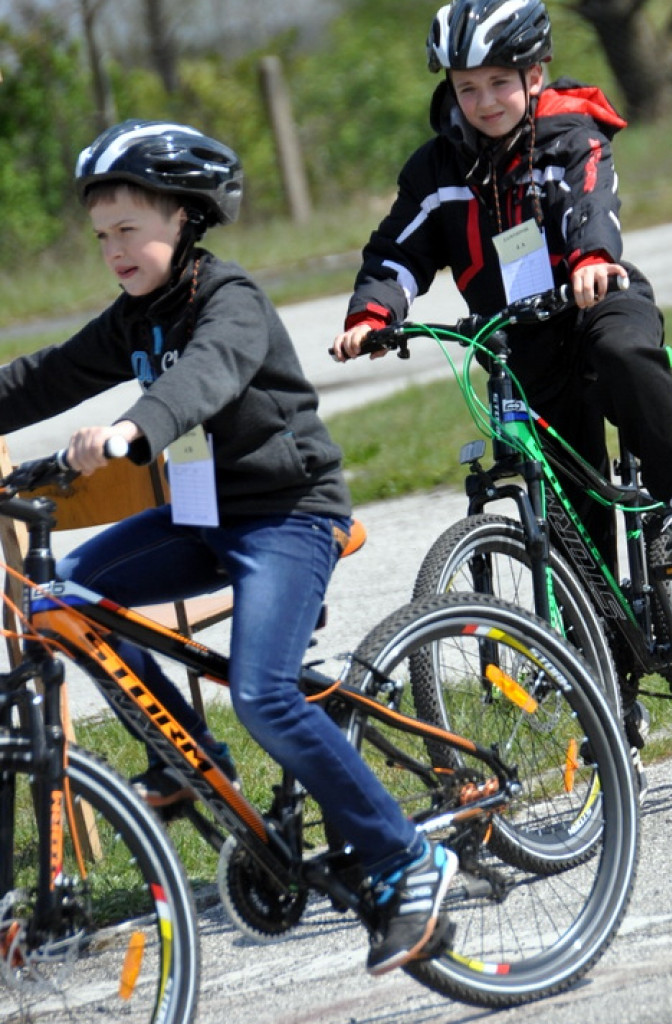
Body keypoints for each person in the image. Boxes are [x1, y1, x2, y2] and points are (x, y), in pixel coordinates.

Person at [0, 119, 456, 976]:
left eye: (129, 231)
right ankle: (188, 757)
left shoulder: (230, 299)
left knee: (263, 695)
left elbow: (203, 375)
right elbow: (46, 377)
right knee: (67, 595)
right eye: (102, 237)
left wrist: (136, 428)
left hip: (287, 516)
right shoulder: (137, 314)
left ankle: (408, 861)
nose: (114, 251)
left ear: (185, 217)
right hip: (203, 521)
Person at [331, 0, 672, 737]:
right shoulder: (437, 171)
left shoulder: (571, 135)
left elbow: (590, 206)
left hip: (595, 301)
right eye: (465, 87)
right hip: (520, 340)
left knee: (622, 354)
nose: (480, 102)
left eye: (497, 84)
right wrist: (372, 312)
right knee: (571, 515)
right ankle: (614, 677)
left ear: (534, 75)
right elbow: (397, 251)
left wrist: (592, 260)